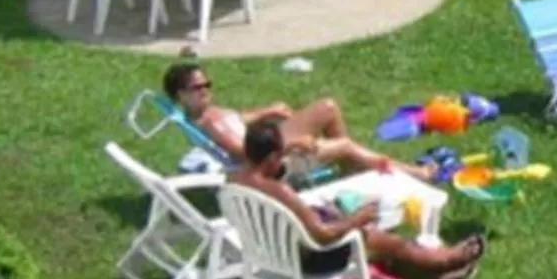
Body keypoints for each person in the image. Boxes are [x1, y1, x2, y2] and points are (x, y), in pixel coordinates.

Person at [231, 121, 483, 279]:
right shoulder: (280, 191)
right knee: (386, 242)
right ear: (271, 158)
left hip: (272, 252)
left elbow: (273, 174)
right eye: (280, 154)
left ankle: (434, 277)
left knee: (376, 241)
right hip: (309, 260)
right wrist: (357, 219)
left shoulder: (235, 180)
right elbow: (323, 235)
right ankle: (446, 262)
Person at [165, 63, 435, 182]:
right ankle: (417, 174)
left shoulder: (207, 114)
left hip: (270, 140)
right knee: (344, 145)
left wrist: (267, 110)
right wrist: (293, 142)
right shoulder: (212, 124)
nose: (205, 90)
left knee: (328, 107)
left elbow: (236, 121)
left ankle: (349, 168)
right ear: (180, 95)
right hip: (273, 163)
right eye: (197, 88)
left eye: (207, 84)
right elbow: (247, 153)